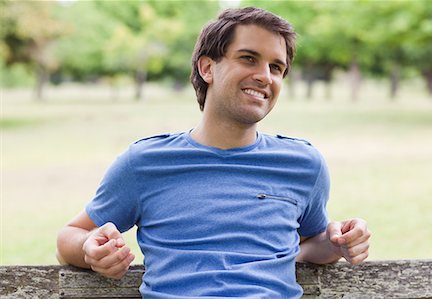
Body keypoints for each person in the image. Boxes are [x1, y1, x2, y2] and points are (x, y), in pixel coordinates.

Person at [57, 7, 371, 299]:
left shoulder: (303, 164)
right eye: (249, 58)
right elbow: (70, 235)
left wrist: (337, 242)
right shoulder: (144, 163)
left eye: (276, 67)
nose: (265, 76)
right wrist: (89, 246)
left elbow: (308, 245)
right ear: (208, 68)